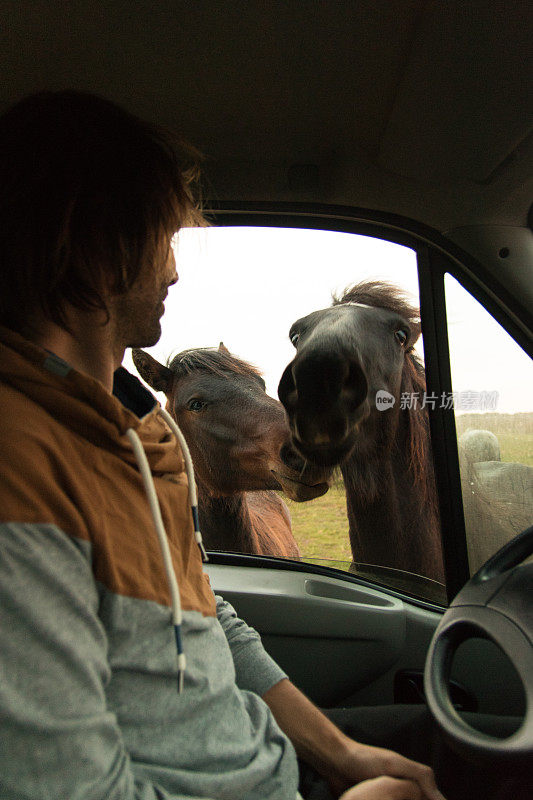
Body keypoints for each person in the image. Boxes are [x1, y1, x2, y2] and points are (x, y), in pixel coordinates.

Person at [0, 90, 446, 800]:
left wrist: (342, 754)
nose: (174, 271)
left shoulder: (136, 427)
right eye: (163, 239)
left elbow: (206, 615)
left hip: (255, 756)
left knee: (462, 738)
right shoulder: (20, 465)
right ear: (97, 244)